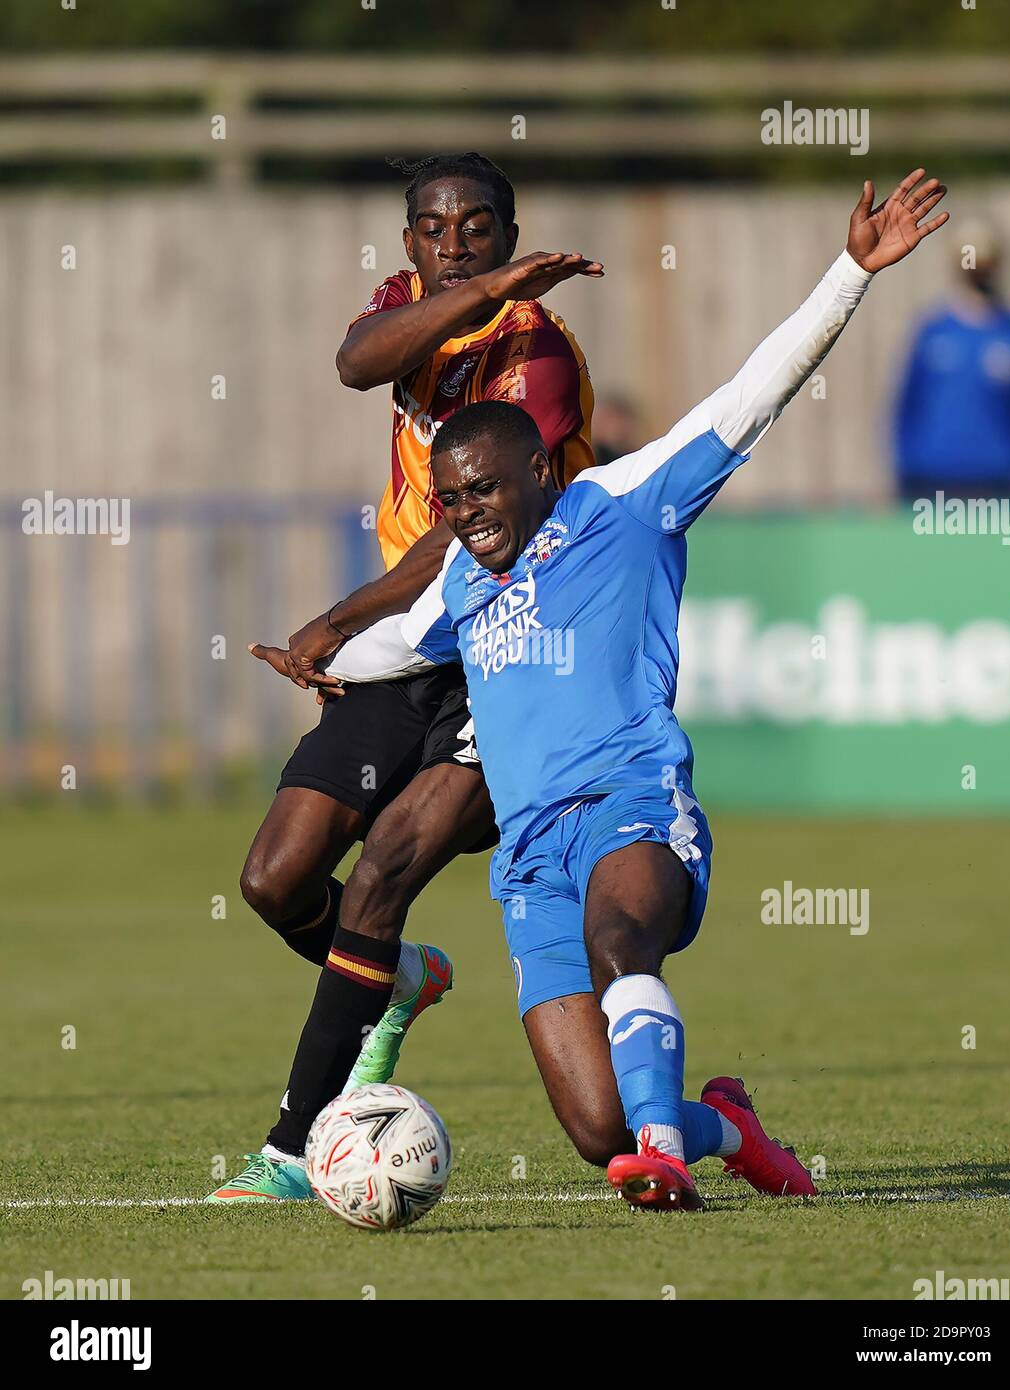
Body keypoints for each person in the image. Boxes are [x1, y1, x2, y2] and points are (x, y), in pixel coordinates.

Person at [327, 169, 949, 1210]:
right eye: (451, 499)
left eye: (485, 490)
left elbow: (756, 393)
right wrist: (323, 656)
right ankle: (715, 1127)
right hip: (530, 859)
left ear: (540, 470)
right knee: (593, 1127)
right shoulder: (463, 585)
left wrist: (851, 272)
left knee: (625, 945)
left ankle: (664, 1151)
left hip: (630, 804)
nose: (468, 514)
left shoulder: (621, 506)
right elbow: (395, 646)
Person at [207, 153, 602, 1202]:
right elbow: (353, 361)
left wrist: (338, 618)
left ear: (510, 233)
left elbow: (471, 529)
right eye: (436, 227)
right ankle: (403, 976)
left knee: (383, 870)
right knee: (274, 879)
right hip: (403, 654)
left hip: (503, 652)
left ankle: (292, 1151)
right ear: (411, 245)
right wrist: (468, 297)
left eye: (480, 225)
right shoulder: (414, 309)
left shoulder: (541, 355)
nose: (457, 239)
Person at [893, 217, 1010, 501]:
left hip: (999, 483)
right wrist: (907, 464)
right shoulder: (932, 333)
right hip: (930, 480)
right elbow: (905, 406)